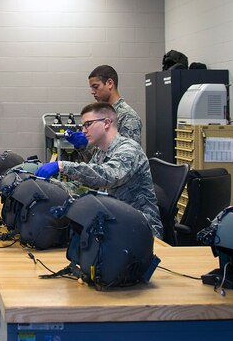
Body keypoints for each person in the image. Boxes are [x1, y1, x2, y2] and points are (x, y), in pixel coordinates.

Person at [36, 102, 163, 239]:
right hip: (116, 223)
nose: (83, 131)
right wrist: (48, 185)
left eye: (88, 124)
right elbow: (80, 188)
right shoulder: (101, 153)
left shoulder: (129, 149)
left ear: (107, 123)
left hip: (141, 229)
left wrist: (62, 165)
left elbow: (110, 176)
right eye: (83, 125)